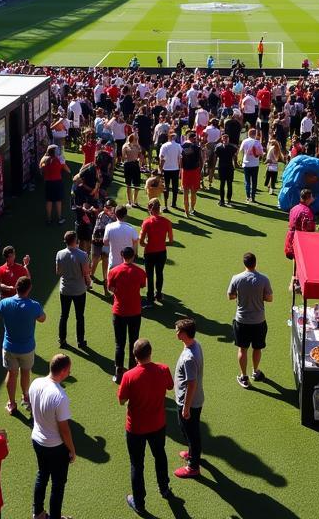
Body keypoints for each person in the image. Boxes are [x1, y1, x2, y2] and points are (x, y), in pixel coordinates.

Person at [117, 338, 174, 515]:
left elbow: (121, 400)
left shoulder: (129, 376)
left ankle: (139, 503)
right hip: (158, 424)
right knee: (160, 454)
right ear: (150, 352)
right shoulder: (163, 370)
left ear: (135, 356)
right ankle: (164, 488)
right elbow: (170, 386)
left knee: (137, 464)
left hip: (136, 429)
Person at [29, 353, 76, 519]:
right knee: (58, 485)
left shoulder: (35, 383)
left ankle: (38, 513)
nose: (69, 373)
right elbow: (64, 430)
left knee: (42, 475)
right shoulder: (60, 396)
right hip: (55, 448)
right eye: (69, 371)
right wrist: (72, 450)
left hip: (37, 440)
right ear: (62, 371)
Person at [0, 275, 46, 414]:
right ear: (29, 289)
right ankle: (26, 397)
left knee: (11, 374)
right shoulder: (34, 305)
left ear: (16, 287)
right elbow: (42, 319)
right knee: (26, 372)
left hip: (9, 347)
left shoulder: (4, 303)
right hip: (27, 348)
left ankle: (11, 403)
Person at [227, 252, 273, 388]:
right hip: (259, 321)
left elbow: (230, 296)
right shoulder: (264, 279)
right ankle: (255, 371)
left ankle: (243, 376)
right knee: (257, 348)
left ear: (244, 264)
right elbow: (270, 298)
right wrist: (260, 297)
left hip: (241, 321)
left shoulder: (236, 278)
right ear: (255, 263)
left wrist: (239, 296)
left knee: (243, 349)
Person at [108, 245, 147, 383]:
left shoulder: (114, 271)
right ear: (133, 256)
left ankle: (118, 372)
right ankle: (132, 370)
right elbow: (143, 285)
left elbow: (110, 288)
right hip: (135, 311)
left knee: (119, 343)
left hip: (119, 311)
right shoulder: (140, 272)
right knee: (133, 342)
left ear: (121, 255)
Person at [173, 318, 204, 479]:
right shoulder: (195, 344)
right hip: (195, 400)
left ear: (185, 334)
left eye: (178, 330)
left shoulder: (189, 358)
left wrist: (186, 407)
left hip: (189, 402)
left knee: (190, 432)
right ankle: (193, 452)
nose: (176, 332)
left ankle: (193, 466)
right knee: (191, 431)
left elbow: (191, 384)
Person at [55, 230, 91, 349]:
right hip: (79, 290)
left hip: (65, 290)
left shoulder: (60, 254)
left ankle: (62, 340)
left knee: (63, 315)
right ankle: (80, 341)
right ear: (75, 240)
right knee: (80, 316)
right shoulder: (82, 255)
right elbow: (86, 273)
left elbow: (58, 272)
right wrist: (88, 282)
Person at [139, 198, 174, 307]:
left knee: (149, 275)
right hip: (161, 252)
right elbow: (171, 241)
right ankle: (158, 294)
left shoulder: (147, 222)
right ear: (159, 208)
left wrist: (148, 245)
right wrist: (162, 244)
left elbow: (141, 241)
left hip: (149, 253)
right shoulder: (167, 222)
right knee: (159, 273)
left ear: (150, 209)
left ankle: (150, 299)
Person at [104, 205, 140, 273]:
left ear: (115, 214)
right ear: (125, 215)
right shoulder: (131, 229)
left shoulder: (109, 227)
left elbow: (105, 242)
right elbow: (135, 243)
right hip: (127, 265)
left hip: (113, 263)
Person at [41, 146, 71, 225]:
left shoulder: (45, 161)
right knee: (58, 200)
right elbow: (68, 170)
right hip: (57, 182)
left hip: (48, 183)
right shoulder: (59, 160)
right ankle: (59, 218)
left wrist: (44, 156)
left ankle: (49, 219)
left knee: (49, 201)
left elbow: (40, 166)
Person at [284, 188, 316, 261]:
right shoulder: (307, 212)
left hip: (291, 237)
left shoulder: (294, 208)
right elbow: (308, 230)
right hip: (300, 240)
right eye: (311, 197)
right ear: (308, 199)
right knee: (300, 262)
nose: (313, 198)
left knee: (295, 261)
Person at [238, 128, 264, 203]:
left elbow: (240, 151)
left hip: (246, 163)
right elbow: (261, 153)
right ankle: (253, 197)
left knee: (247, 181)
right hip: (255, 164)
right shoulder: (257, 142)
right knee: (254, 181)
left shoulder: (245, 141)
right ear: (254, 134)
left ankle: (247, 196)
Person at [180, 133, 202, 216]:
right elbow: (201, 160)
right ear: (193, 138)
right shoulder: (197, 147)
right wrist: (200, 171)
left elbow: (180, 160)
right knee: (193, 192)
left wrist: (180, 170)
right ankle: (192, 209)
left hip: (185, 171)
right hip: (195, 170)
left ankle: (186, 212)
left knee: (185, 192)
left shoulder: (182, 146)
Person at [158, 132, 182, 212]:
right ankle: (174, 203)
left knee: (166, 188)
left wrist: (160, 169)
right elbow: (180, 158)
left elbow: (162, 158)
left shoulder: (164, 146)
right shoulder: (178, 146)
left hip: (166, 169)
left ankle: (165, 205)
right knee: (175, 187)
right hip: (175, 169)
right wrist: (180, 168)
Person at [214, 131, 237, 207]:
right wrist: (215, 166)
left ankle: (229, 200)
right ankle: (222, 200)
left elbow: (234, 157)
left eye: (226, 138)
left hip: (229, 167)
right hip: (222, 167)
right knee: (222, 184)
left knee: (229, 184)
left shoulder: (232, 148)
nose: (225, 139)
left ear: (228, 139)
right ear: (222, 139)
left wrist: (235, 165)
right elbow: (215, 157)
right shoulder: (218, 148)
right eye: (224, 138)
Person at [121, 132, 142, 208]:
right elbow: (123, 158)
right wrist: (127, 158)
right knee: (128, 184)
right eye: (136, 138)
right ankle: (129, 201)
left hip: (135, 164)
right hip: (128, 165)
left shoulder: (137, 146)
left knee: (137, 184)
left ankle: (135, 201)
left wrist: (140, 161)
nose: (137, 140)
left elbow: (140, 156)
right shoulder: (125, 146)